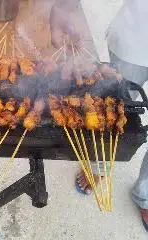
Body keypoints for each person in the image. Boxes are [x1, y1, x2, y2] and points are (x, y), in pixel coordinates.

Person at [50, 0, 148, 231]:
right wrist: (65, 5)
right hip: (138, 35)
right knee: (110, 105)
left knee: (115, 114)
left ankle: (146, 194)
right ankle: (99, 167)